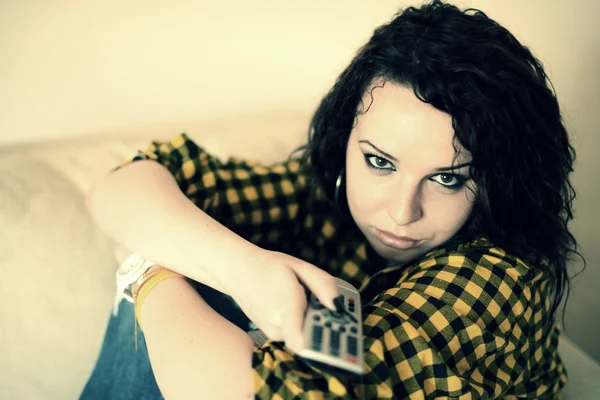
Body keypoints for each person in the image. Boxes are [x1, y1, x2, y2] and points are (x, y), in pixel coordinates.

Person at [80, 1, 582, 399]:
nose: (401, 212)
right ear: (345, 139)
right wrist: (245, 269)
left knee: (177, 279)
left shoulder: (498, 275)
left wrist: (148, 274)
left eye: (448, 180)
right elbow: (122, 187)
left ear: (499, 182)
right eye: (380, 163)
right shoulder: (327, 194)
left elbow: (250, 393)